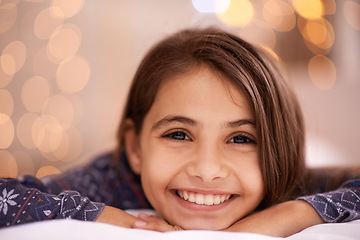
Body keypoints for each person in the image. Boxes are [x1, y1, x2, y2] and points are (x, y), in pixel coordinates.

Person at [0, 28, 359, 237]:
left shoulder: (289, 187)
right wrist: (109, 218)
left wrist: (289, 216)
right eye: (178, 134)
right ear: (135, 147)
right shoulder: (110, 180)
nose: (206, 169)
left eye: (241, 139)